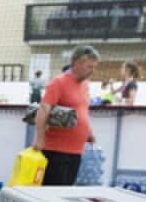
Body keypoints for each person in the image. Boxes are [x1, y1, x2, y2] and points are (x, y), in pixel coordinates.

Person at [33, 45, 98, 186]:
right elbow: (43, 109)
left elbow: (83, 110)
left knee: (66, 191)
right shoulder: (59, 82)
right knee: (53, 193)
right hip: (56, 151)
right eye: (89, 67)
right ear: (77, 63)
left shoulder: (85, 85)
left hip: (76, 151)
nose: (92, 71)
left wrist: (89, 133)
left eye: (93, 67)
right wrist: (39, 139)